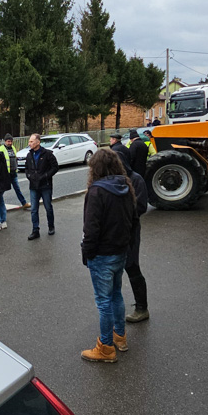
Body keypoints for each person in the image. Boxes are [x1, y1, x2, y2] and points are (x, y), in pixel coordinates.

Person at [80, 150, 138, 363]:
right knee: (116, 295)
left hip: (102, 254)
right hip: (120, 251)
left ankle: (105, 347)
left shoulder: (96, 192)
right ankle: (120, 337)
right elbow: (133, 219)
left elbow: (91, 229)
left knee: (103, 301)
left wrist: (87, 253)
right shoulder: (125, 186)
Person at [112, 150, 150, 323]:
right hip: (115, 232)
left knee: (132, 267)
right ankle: (114, 307)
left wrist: (120, 214)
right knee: (114, 269)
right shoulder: (112, 180)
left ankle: (142, 308)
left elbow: (141, 207)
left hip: (131, 231)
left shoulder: (136, 179)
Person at [24, 133, 59, 240]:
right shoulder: (29, 155)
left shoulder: (47, 154)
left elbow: (55, 167)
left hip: (45, 186)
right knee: (34, 209)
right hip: (34, 186)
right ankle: (35, 230)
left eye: (31, 141)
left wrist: (46, 176)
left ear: (38, 142)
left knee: (48, 207)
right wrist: (29, 176)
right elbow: (26, 168)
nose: (29, 143)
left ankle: (51, 226)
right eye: (29, 141)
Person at [0, 134, 29, 209]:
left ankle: (24, 203)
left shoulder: (13, 148)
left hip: (13, 172)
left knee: (17, 189)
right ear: (5, 141)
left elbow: (15, 159)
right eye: (8, 141)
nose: (10, 143)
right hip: (6, 173)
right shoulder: (1, 149)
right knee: (2, 190)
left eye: (11, 141)